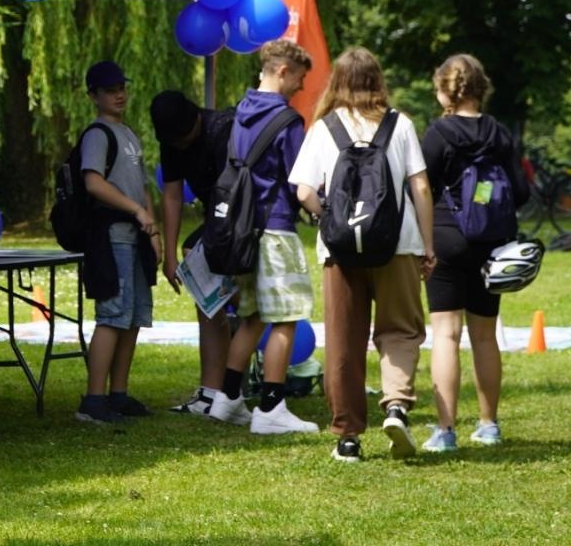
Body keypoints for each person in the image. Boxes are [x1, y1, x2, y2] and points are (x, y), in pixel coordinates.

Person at [289, 46, 435, 462]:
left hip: (341, 250)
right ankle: (395, 405)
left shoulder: (324, 128)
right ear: (378, 81)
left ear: (337, 81)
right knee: (400, 330)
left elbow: (303, 191)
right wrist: (428, 244)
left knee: (343, 341)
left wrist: (328, 218)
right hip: (398, 244)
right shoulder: (400, 125)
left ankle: (348, 437)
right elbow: (420, 187)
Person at [207, 40, 320, 435]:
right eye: (300, 79)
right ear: (283, 71)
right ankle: (271, 406)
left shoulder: (241, 111)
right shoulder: (288, 121)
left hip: (243, 230)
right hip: (275, 227)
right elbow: (298, 179)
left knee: (252, 317)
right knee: (287, 316)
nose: (301, 88)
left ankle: (228, 398)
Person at [419, 53, 531, 453]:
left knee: (446, 335)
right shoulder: (500, 133)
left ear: (446, 90)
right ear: (480, 87)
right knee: (485, 336)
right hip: (492, 243)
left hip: (447, 238)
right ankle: (488, 424)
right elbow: (520, 191)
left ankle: (445, 430)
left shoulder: (438, 134)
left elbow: (421, 189)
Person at [76, 60, 159, 424]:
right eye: (110, 90)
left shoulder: (128, 134)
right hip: (112, 238)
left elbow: (143, 187)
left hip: (136, 237)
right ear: (94, 96)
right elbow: (93, 182)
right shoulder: (97, 134)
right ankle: (93, 400)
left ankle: (119, 394)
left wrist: (151, 226)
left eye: (121, 87)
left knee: (134, 316)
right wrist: (135, 212)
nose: (119, 94)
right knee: (112, 316)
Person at [150, 89, 236, 415]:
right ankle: (210, 393)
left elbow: (237, 190)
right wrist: (170, 256)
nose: (181, 147)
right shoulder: (171, 141)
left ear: (196, 119)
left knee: (248, 304)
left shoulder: (223, 130)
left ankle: (252, 378)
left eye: (185, 139)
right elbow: (172, 196)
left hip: (239, 217)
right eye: (175, 143)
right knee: (205, 295)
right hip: (215, 221)